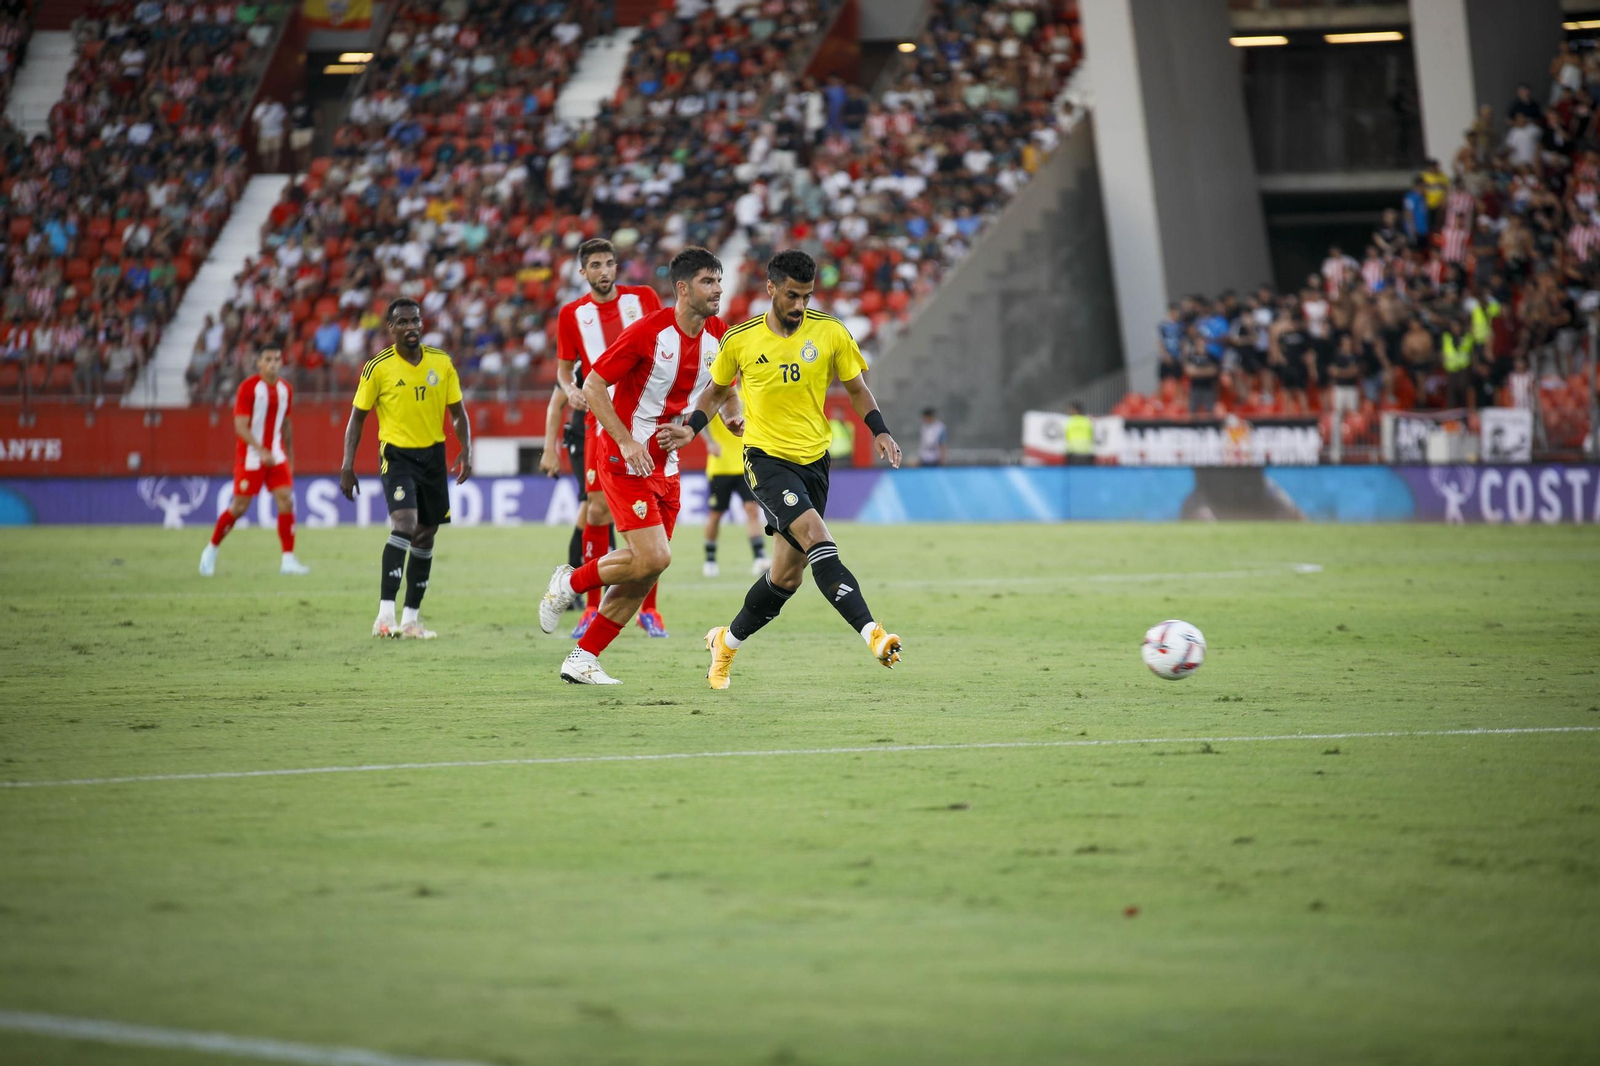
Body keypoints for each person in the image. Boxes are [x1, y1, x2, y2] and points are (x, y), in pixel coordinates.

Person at [663, 249, 903, 691]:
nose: (799, 305)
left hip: (815, 462)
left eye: (807, 296)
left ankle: (725, 643)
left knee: (786, 578)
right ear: (771, 288)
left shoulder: (830, 332)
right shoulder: (741, 339)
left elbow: (857, 388)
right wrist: (691, 429)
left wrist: (880, 431)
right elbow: (714, 393)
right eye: (792, 295)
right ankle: (873, 634)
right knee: (818, 538)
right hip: (767, 460)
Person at [536, 247, 731, 685]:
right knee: (654, 556)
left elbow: (723, 387)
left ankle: (583, 658)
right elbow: (593, 384)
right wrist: (625, 442)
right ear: (683, 289)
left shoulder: (718, 333)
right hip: (624, 459)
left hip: (667, 463)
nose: (718, 289)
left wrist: (714, 421)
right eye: (708, 281)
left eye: (719, 280)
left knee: (647, 569)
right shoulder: (648, 331)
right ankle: (569, 583)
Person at [539, 239, 667, 639]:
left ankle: (650, 610)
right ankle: (591, 608)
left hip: (647, 415)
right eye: (595, 265)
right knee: (596, 511)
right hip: (601, 418)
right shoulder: (572, 314)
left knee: (656, 510)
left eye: (609, 263)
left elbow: (667, 339)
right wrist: (571, 389)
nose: (604, 271)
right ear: (583, 272)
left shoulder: (642, 298)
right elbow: (564, 372)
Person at [339, 298, 473, 639]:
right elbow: (357, 418)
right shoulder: (377, 367)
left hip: (434, 456)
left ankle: (411, 620)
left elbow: (458, 412)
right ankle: (384, 617)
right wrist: (347, 465)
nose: (411, 327)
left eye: (415, 321)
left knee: (426, 533)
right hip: (397, 456)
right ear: (391, 328)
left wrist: (466, 449)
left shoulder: (441, 363)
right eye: (403, 322)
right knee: (404, 524)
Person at [200, 347, 311, 577]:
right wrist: (260, 451)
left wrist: (290, 456)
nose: (273, 363)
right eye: (268, 359)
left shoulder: (286, 389)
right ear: (258, 363)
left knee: (286, 500)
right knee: (240, 507)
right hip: (251, 455)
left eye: (277, 359)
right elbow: (240, 426)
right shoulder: (248, 388)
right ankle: (211, 549)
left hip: (276, 455)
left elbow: (286, 423)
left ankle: (288, 560)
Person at [703, 408, 770, 578]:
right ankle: (710, 560)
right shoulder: (716, 397)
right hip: (720, 467)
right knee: (716, 514)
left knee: (752, 511)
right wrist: (710, 441)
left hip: (745, 465)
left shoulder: (749, 395)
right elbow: (700, 416)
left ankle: (759, 557)